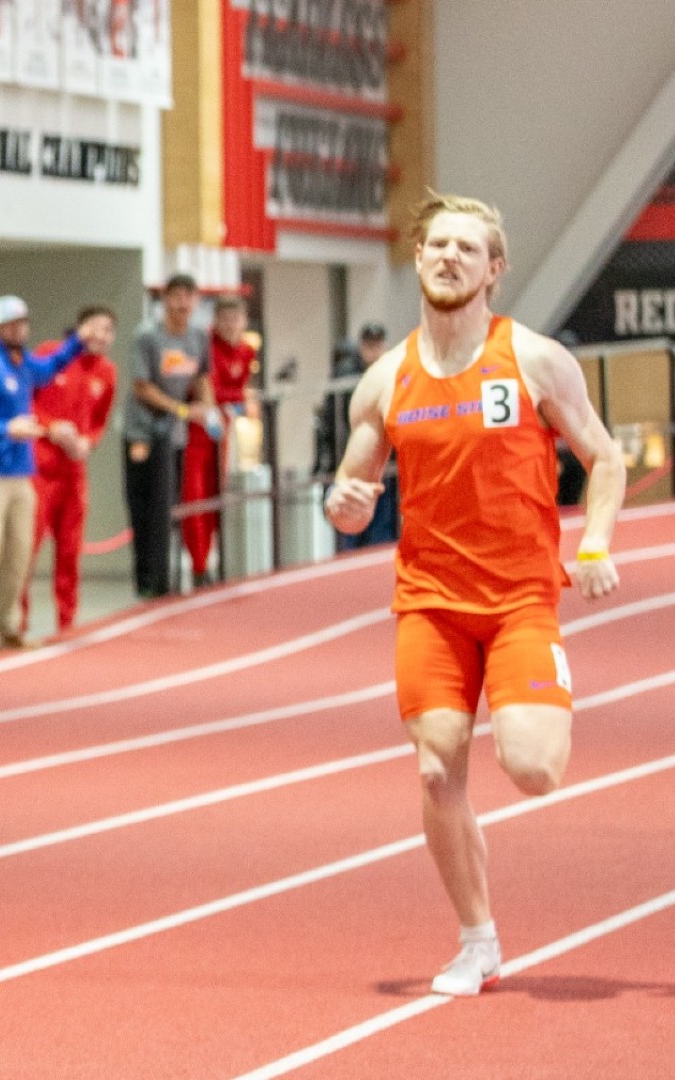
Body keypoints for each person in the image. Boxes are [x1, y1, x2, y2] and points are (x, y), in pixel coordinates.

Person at [325, 192, 624, 997]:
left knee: (533, 770)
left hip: (520, 595)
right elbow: (350, 493)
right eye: (437, 245)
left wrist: (594, 542)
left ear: (494, 269)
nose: (449, 257)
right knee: (434, 772)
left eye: (467, 248)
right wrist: (341, 503)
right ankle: (477, 939)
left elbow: (603, 458)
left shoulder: (532, 359)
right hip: (429, 601)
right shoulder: (384, 381)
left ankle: (537, 692)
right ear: (418, 258)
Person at [0, 295, 85, 648]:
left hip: (19, 470)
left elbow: (50, 367)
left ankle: (8, 624)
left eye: (22, 323)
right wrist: (6, 428)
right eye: (12, 324)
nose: (20, 330)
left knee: (20, 549)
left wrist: (78, 341)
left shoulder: (22, 363)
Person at [123, 273, 220, 598]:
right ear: (165, 300)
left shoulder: (198, 335)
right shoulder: (147, 336)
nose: (182, 303)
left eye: (189, 296)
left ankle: (174, 575)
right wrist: (180, 409)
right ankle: (149, 581)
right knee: (146, 506)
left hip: (175, 433)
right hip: (144, 430)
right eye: (176, 296)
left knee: (172, 504)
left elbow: (202, 376)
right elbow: (141, 386)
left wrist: (207, 408)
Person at [24, 306, 119, 635]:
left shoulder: (107, 373)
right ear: (80, 329)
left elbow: (99, 422)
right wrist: (51, 428)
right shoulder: (51, 354)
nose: (101, 336)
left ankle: (67, 621)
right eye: (95, 328)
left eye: (108, 330)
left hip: (74, 473)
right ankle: (16, 622)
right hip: (40, 469)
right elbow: (27, 399)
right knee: (28, 546)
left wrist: (87, 442)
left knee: (70, 550)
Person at [179, 294, 257, 584]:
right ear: (216, 321)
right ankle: (199, 564)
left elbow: (239, 390)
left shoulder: (246, 351)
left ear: (244, 321)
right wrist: (235, 401)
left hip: (222, 429)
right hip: (197, 428)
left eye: (235, 319)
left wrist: (236, 403)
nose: (230, 324)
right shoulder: (205, 345)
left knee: (217, 493)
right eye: (224, 319)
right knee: (195, 495)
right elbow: (210, 390)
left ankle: (216, 559)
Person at [336, 322, 400, 550]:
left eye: (378, 345)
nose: (374, 351)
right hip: (356, 458)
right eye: (369, 345)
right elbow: (336, 422)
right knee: (351, 531)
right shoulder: (347, 375)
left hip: (386, 466)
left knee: (382, 533)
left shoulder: (392, 372)